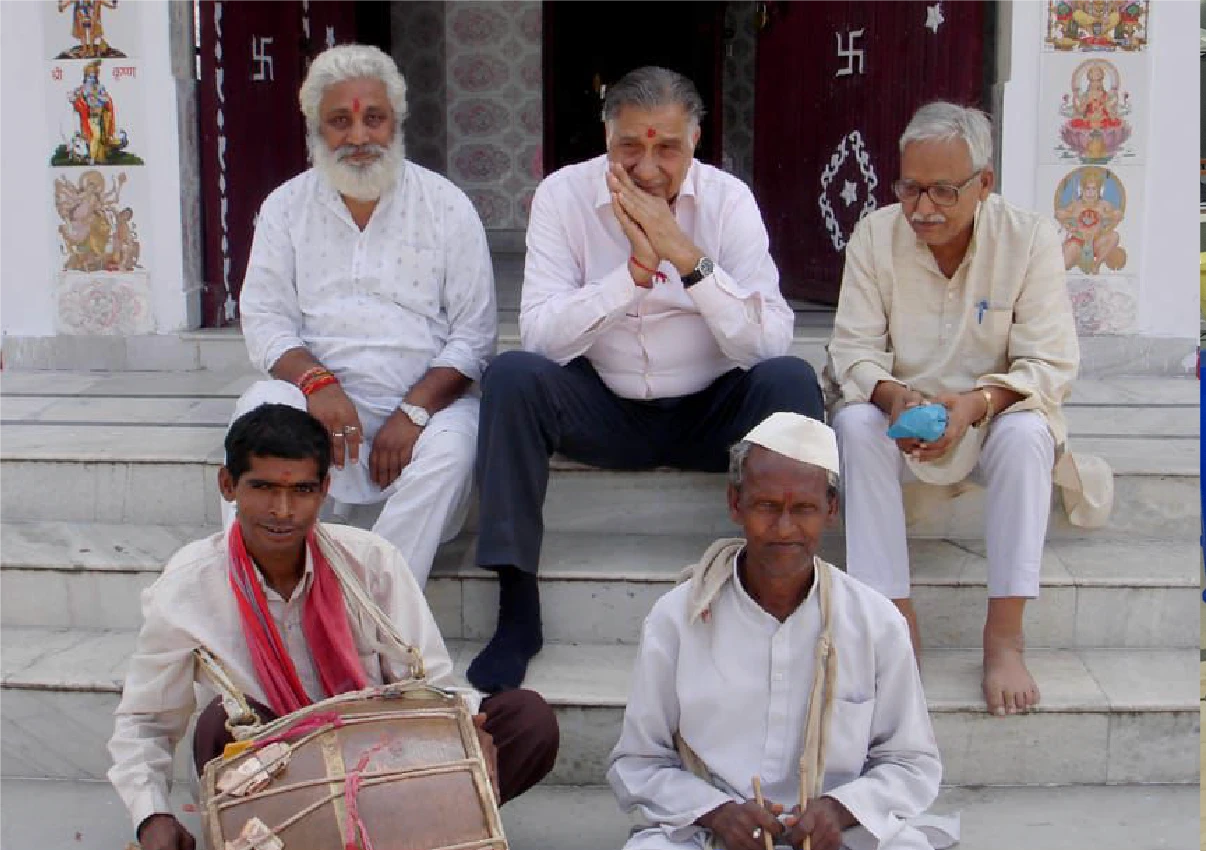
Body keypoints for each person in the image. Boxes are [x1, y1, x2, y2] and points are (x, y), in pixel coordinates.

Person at [466, 66, 824, 694]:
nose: (648, 166)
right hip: (604, 406)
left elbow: (768, 338)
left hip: (712, 412)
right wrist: (630, 274)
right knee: (511, 376)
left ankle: (782, 589)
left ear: (696, 143)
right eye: (630, 145)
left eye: (668, 148)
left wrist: (685, 258)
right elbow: (543, 335)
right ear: (607, 138)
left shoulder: (728, 200)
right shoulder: (563, 196)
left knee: (790, 382)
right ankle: (516, 606)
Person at [108, 405, 558, 851]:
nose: (282, 510)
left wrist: (464, 723)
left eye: (302, 490)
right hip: (275, 785)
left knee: (526, 720)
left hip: (382, 770)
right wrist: (153, 816)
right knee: (221, 726)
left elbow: (429, 685)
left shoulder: (372, 561)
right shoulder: (187, 586)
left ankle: (409, 831)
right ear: (229, 486)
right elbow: (146, 721)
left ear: (325, 489)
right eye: (263, 487)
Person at [826, 101, 1102, 717]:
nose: (923, 208)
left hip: (992, 415)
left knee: (1030, 436)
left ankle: (1004, 637)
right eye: (910, 187)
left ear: (985, 184)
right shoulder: (876, 233)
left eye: (945, 191)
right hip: (904, 418)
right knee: (852, 423)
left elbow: (1052, 362)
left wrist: (977, 404)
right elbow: (852, 350)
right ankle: (893, 621)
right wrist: (893, 396)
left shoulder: (1028, 238)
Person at [608, 412, 953, 851]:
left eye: (803, 509)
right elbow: (638, 761)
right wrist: (718, 814)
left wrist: (839, 809)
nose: (785, 528)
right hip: (710, 835)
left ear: (831, 509)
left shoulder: (876, 621)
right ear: (736, 504)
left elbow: (911, 762)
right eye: (766, 506)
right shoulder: (678, 618)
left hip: (838, 835)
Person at [234, 44, 496, 588]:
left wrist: (416, 411)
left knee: (455, 445)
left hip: (425, 404)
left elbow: (474, 336)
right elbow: (264, 318)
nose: (358, 137)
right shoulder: (285, 207)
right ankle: (257, 590)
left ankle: (370, 606)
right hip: (318, 404)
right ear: (315, 129)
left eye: (372, 118)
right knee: (258, 410)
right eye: (339, 121)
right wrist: (318, 384)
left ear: (395, 122)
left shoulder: (446, 206)